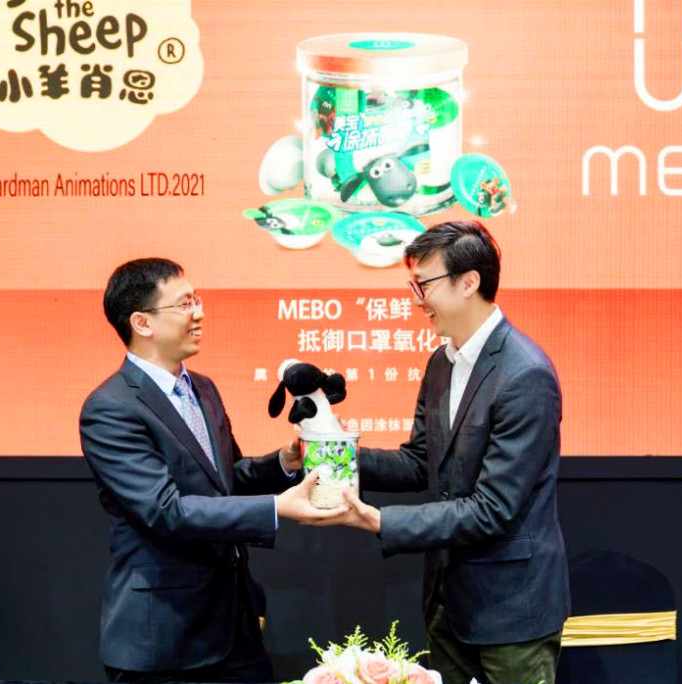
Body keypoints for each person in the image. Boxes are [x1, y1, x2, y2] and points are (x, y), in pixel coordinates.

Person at [315, 221, 570, 684]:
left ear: (468, 282)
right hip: (446, 602)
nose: (417, 299)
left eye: (424, 284)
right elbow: (419, 462)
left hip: (512, 610)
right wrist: (333, 454)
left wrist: (380, 520)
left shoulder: (525, 374)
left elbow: (493, 509)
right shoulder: (441, 362)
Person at [80, 258, 339, 684]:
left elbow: (225, 480)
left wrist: (282, 462)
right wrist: (276, 508)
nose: (199, 313)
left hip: (234, 625)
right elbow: (165, 511)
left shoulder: (203, 388)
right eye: (184, 304)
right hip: (164, 638)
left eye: (197, 300)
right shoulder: (110, 407)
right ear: (142, 323)